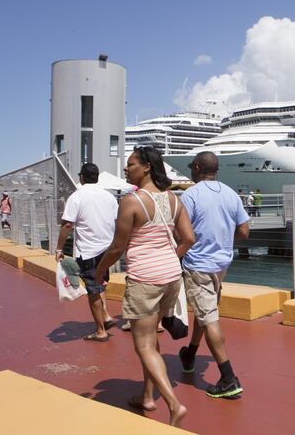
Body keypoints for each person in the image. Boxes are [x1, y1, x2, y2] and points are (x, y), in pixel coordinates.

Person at [94, 146, 195, 427]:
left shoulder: (132, 201)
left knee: (143, 345)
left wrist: (99, 271)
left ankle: (174, 405)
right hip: (171, 277)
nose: (126, 169)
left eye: (131, 164)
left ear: (147, 167)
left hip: (145, 279)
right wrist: (168, 259)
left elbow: (117, 247)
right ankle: (147, 396)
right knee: (152, 339)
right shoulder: (174, 199)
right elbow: (188, 238)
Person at [177, 151, 250, 399]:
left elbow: (182, 234)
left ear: (197, 168)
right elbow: (244, 231)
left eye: (191, 167)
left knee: (209, 317)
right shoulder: (231, 194)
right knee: (205, 310)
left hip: (198, 265)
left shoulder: (190, 195)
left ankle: (228, 378)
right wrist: (222, 240)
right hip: (221, 264)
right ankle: (190, 353)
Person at [54, 163, 118, 342]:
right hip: (107, 249)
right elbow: (115, 220)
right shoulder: (109, 197)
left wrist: (59, 249)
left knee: (92, 290)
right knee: (100, 283)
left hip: (89, 251)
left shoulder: (77, 196)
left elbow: (67, 225)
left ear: (82, 177)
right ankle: (105, 316)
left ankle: (100, 331)